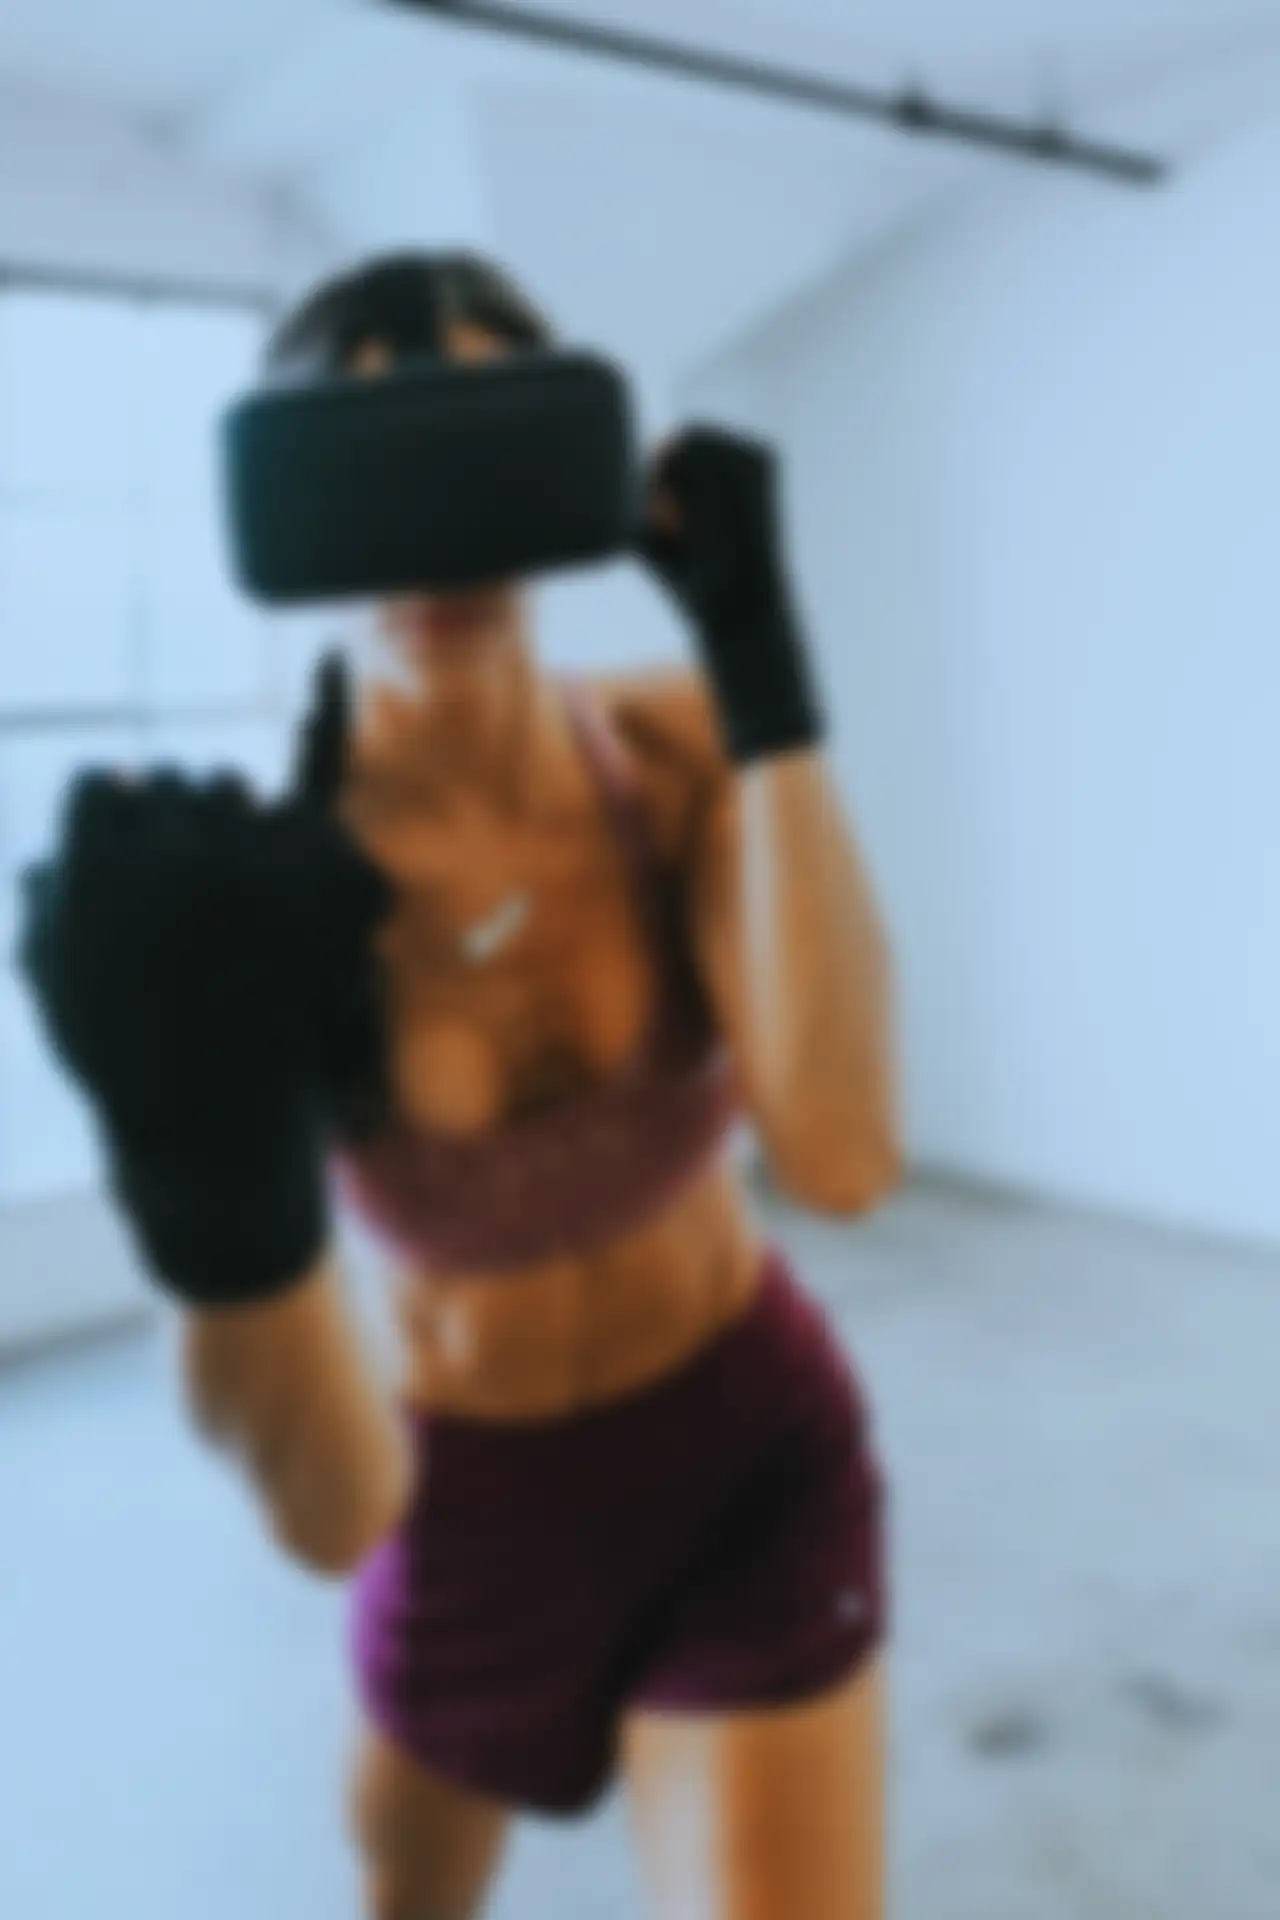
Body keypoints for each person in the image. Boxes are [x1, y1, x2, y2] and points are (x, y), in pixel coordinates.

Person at [19, 253, 900, 1920]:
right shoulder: (272, 888)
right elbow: (333, 1507)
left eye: (479, 444)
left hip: (749, 1448)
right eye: (372, 459)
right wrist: (197, 1178)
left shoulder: (673, 750)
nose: (436, 532)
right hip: (466, 1504)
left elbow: (845, 1155)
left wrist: (766, 673)